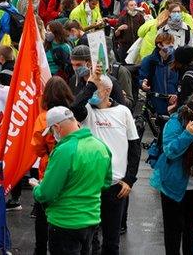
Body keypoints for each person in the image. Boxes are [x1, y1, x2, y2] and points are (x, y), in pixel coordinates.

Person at [70, 72, 140, 255]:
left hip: (116, 186)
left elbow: (135, 147)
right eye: (91, 88)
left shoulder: (123, 112)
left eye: (96, 88)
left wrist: (130, 179)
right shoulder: (87, 112)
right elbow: (75, 106)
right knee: (88, 238)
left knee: (111, 239)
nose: (92, 92)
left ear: (107, 90)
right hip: (90, 186)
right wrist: (91, 84)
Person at [32, 105, 113, 255]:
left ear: (57, 127)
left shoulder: (64, 150)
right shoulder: (101, 146)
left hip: (65, 222)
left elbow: (46, 193)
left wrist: (37, 188)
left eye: (51, 131)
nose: (53, 135)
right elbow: (106, 182)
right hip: (91, 219)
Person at [150, 93, 193, 255]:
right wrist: (187, 134)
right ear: (191, 112)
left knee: (192, 230)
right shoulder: (175, 123)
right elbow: (170, 151)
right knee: (173, 231)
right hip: (173, 186)